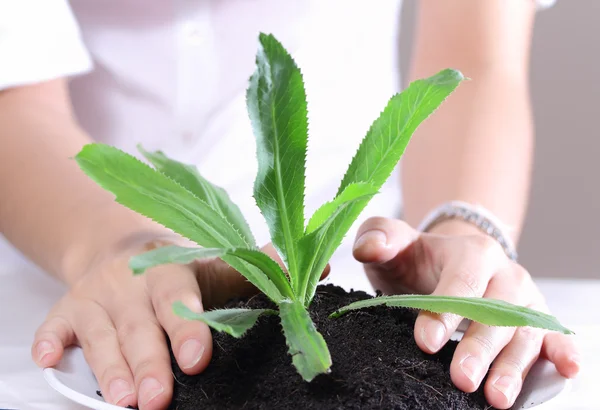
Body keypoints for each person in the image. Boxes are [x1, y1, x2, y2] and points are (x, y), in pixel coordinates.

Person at [0, 0, 580, 409]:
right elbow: (14, 96)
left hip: (352, 260)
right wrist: (115, 245)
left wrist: (465, 229)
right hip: (86, 269)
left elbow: (475, 54)